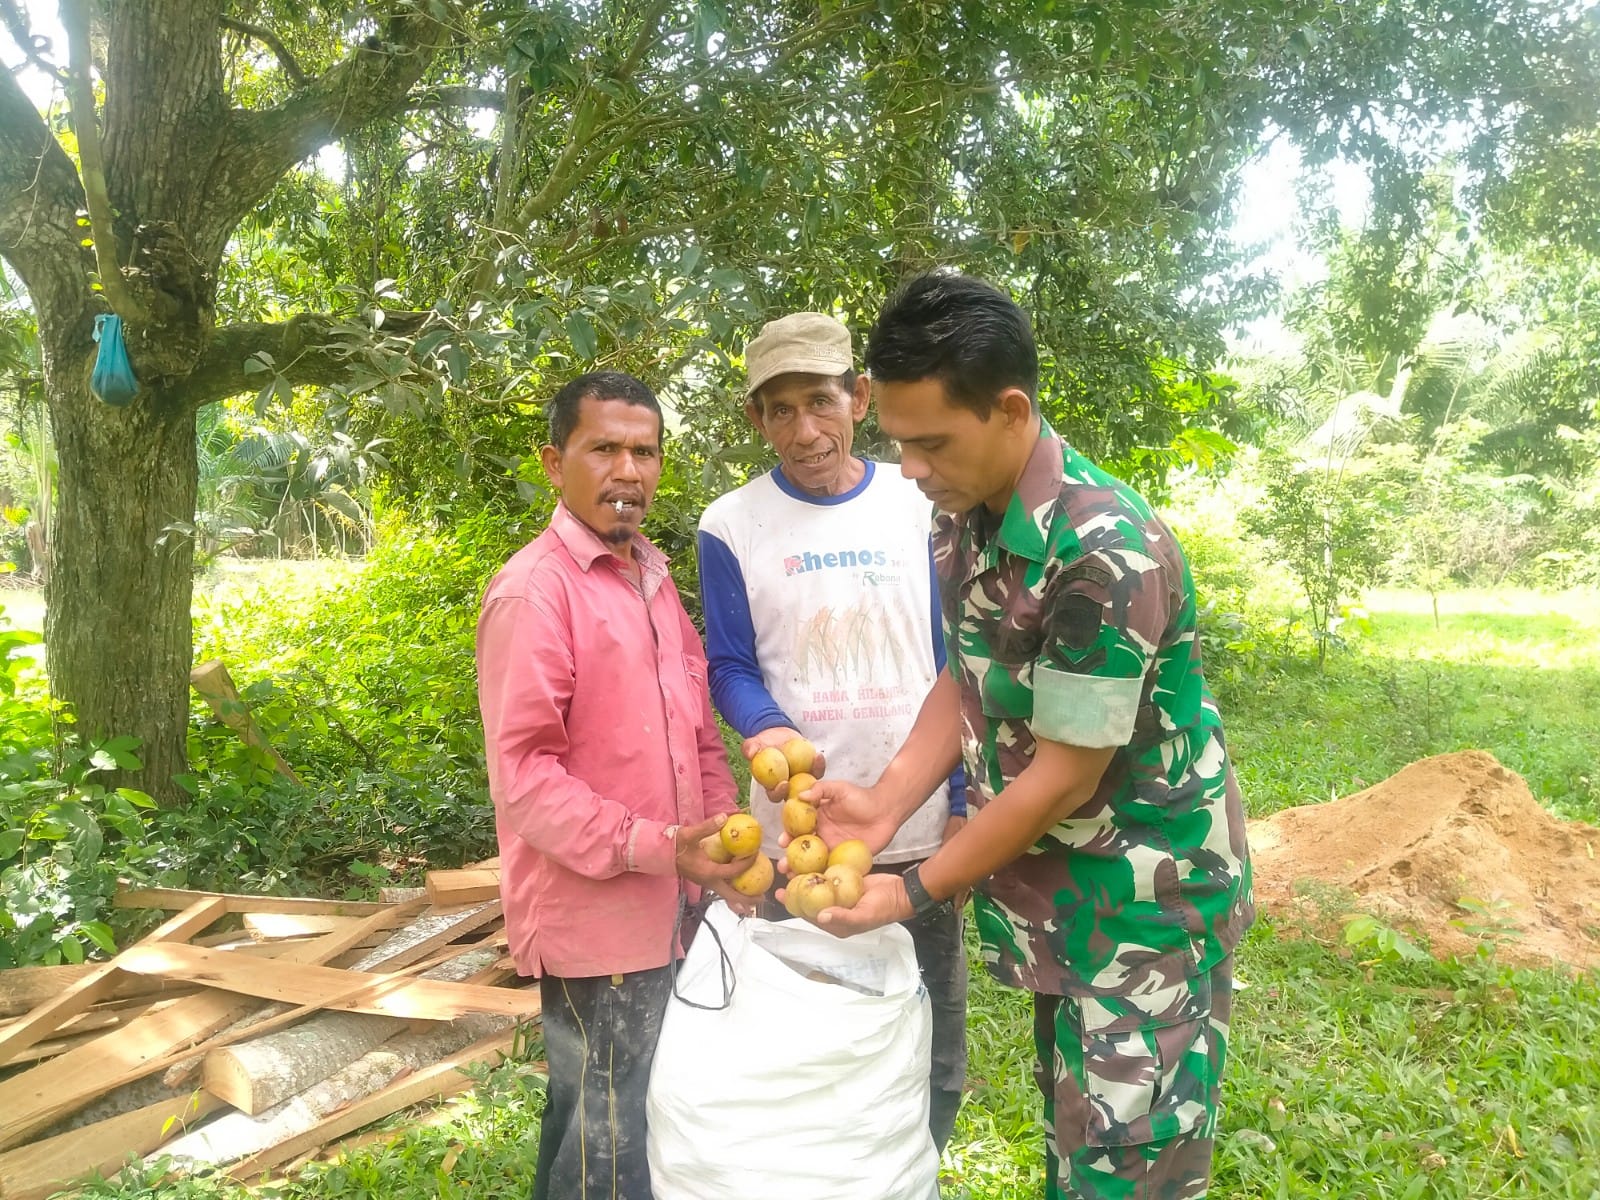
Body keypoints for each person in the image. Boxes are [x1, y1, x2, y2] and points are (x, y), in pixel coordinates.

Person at [798, 275, 1254, 1200]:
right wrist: (885, 806)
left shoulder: (1104, 551)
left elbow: (1062, 778)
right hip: (1068, 904)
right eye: (898, 441)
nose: (912, 467)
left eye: (931, 442)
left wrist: (914, 890)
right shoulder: (962, 514)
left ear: (1011, 410)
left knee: (1128, 1173)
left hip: (1143, 910)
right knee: (1075, 1147)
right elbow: (966, 674)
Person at [476, 370, 755, 1200]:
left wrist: (724, 834)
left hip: (670, 904)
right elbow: (522, 778)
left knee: (608, 1118)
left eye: (645, 452)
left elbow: (699, 734)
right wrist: (662, 847)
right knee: (609, 1137)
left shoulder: (653, 580)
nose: (627, 471)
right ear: (555, 462)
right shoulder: (536, 591)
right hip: (595, 920)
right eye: (604, 449)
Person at [696, 311, 970, 1150]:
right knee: (801, 1045)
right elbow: (730, 665)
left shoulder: (918, 498)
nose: (805, 430)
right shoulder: (731, 523)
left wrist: (958, 798)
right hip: (796, 836)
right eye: (779, 410)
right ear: (755, 419)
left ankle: (910, 1169)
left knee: (929, 1047)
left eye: (820, 401)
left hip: (918, 828)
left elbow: (955, 657)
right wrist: (768, 728)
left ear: (858, 397)